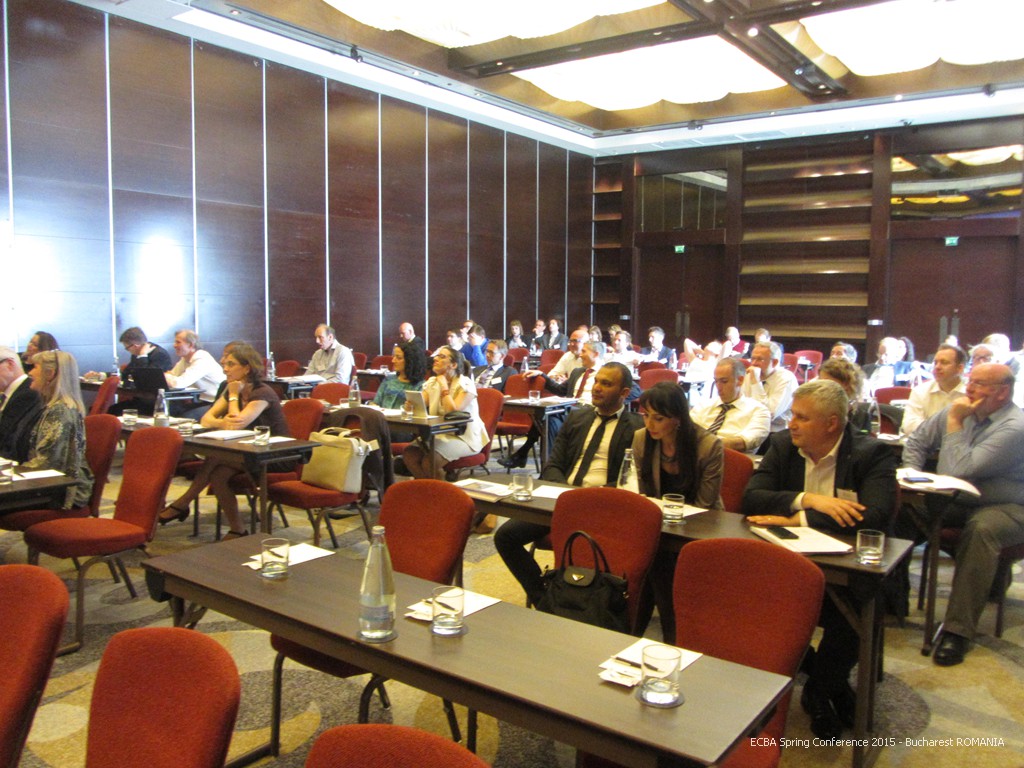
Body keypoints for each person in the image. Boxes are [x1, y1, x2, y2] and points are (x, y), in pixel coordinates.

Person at [742, 379, 898, 739]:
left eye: (802, 417)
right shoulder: (784, 445)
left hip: (846, 567)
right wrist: (810, 500)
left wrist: (798, 518)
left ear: (831, 423)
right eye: (793, 415)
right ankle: (832, 685)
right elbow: (751, 498)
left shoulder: (871, 453)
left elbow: (874, 517)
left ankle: (819, 690)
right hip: (786, 566)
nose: (792, 424)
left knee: (857, 605)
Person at [899, 363, 1024, 667]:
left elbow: (957, 470)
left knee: (981, 530)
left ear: (1002, 392)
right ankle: (891, 598)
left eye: (979, 383)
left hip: (1007, 506)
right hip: (956, 499)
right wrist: (912, 476)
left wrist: (955, 421)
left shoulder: (1014, 426)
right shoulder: (960, 408)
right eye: (970, 380)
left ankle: (957, 631)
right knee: (899, 508)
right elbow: (917, 442)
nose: (968, 387)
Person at [494, 362, 643, 604]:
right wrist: (566, 494)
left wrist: (591, 497)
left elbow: (630, 480)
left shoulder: (636, 428)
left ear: (624, 393)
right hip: (561, 501)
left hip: (601, 506)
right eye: (597, 381)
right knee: (505, 536)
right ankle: (544, 598)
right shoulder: (576, 418)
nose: (597, 388)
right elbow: (553, 465)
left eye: (606, 384)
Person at [159, 343, 291, 539]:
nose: (225, 369)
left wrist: (233, 396)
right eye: (225, 364)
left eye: (231, 364)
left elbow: (235, 426)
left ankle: (183, 503)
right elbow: (206, 419)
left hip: (274, 455)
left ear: (246, 368)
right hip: (246, 451)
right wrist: (225, 419)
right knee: (218, 475)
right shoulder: (232, 388)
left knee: (216, 458)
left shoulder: (262, 393)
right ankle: (238, 529)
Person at [632, 380, 724, 639]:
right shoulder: (641, 438)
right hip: (658, 525)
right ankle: (664, 635)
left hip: (700, 526)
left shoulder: (708, 445)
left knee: (654, 562)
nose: (650, 424)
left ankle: (651, 634)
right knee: (650, 559)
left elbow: (706, 505)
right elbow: (641, 493)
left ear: (678, 418)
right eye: (646, 416)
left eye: (658, 418)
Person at [499, 340, 609, 469]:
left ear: (596, 354)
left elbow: (625, 393)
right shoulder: (578, 372)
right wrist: (542, 375)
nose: (580, 354)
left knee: (547, 418)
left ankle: (526, 457)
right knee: (546, 419)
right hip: (570, 408)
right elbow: (560, 390)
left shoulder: (606, 373)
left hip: (589, 410)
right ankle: (547, 467)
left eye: (584, 351)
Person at [20, 351, 93, 510]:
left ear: (50, 374)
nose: (30, 372)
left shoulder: (59, 411)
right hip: (52, 483)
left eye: (35, 367)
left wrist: (11, 472)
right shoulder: (55, 407)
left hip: (62, 493)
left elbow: (47, 462)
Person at [402, 346, 487, 479]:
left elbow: (452, 412)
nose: (435, 359)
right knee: (410, 454)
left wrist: (444, 387)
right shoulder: (432, 382)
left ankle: (441, 491)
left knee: (429, 462)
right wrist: (411, 405)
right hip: (439, 433)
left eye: (442, 357)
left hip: (464, 437)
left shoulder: (466, 384)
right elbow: (420, 403)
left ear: (453, 365)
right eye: (437, 355)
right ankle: (427, 489)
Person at [691, 357, 770, 454]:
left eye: (724, 381)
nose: (718, 387)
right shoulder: (703, 406)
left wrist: (705, 444)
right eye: (716, 381)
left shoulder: (759, 411)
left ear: (740, 380)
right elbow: (686, 431)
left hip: (730, 459)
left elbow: (742, 443)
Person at [900, 344, 967, 436]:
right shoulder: (920, 391)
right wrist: (951, 427)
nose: (937, 367)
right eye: (935, 363)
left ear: (960, 368)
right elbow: (909, 426)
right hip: (926, 444)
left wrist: (929, 427)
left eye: (944, 362)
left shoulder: (971, 393)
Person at [108, 327, 174, 416]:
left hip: (155, 402)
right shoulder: (137, 355)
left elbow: (146, 379)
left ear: (135, 345)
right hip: (141, 398)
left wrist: (143, 356)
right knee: (111, 410)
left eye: (127, 348)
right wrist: (103, 375)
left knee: (115, 412)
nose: (128, 351)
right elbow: (125, 373)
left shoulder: (159, 354)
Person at [741, 341, 798, 440]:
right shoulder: (750, 374)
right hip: (748, 427)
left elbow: (768, 414)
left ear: (774, 362)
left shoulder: (786, 378)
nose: (754, 363)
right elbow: (742, 404)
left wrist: (756, 383)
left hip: (775, 433)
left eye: (760, 359)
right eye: (753, 358)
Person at [164, 330, 226, 418]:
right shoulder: (185, 359)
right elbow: (173, 376)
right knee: (170, 410)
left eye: (178, 342)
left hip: (215, 402)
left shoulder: (202, 359)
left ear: (190, 345)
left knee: (184, 417)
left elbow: (178, 384)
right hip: (200, 400)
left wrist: (165, 376)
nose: (174, 345)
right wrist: (169, 377)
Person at [0, 347, 43, 463]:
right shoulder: (9, 394)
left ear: (9, 364)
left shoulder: (29, 393)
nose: (31, 372)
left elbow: (7, 439)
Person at [818, 357, 873, 433]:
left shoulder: (861, 417)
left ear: (846, 385)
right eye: (820, 381)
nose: (820, 387)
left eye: (827, 382)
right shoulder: (813, 412)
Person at [372, 341, 426, 409]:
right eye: (394, 356)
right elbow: (376, 402)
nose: (393, 361)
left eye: (399, 358)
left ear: (410, 361)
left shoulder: (420, 386)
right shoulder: (389, 380)